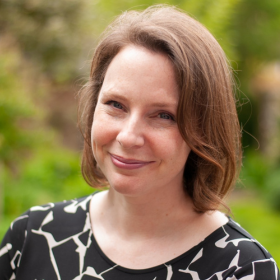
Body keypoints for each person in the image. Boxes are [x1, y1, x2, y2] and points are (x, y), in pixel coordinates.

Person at [0, 5, 279, 279]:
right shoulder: (31, 238)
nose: (128, 136)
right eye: (116, 105)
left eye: (163, 115)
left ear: (203, 130)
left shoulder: (241, 268)